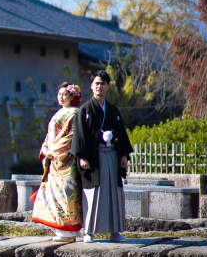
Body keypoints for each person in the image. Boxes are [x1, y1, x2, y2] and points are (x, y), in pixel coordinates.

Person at [70, 70, 132, 242]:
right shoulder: (84, 110)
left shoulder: (113, 110)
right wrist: (82, 156)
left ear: (107, 86)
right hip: (93, 158)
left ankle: (115, 231)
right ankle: (88, 232)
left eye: (103, 83)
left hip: (112, 155)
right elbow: (80, 136)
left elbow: (121, 132)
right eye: (96, 83)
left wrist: (124, 154)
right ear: (91, 86)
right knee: (93, 193)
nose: (99, 86)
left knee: (114, 192)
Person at [31, 82, 83, 236]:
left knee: (66, 194)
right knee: (52, 194)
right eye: (59, 94)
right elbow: (50, 136)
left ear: (72, 96)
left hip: (65, 160)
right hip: (54, 159)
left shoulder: (74, 113)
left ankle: (69, 231)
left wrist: (52, 151)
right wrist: (46, 148)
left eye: (64, 94)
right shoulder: (59, 113)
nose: (61, 97)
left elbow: (70, 137)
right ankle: (58, 229)